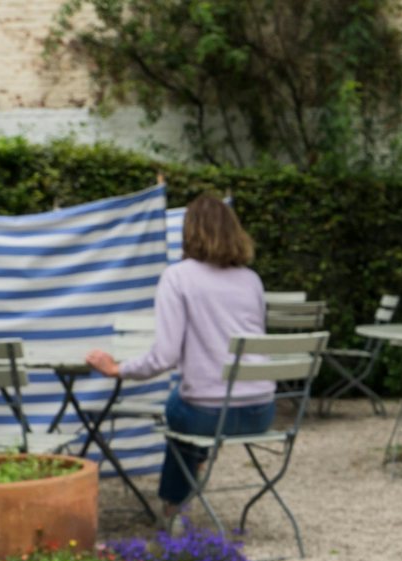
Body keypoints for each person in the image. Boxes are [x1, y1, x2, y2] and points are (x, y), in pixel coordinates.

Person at [85, 194, 271, 526]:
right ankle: (195, 469)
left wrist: (117, 369)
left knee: (178, 407)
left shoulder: (179, 277)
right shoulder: (251, 279)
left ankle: (173, 506)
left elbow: (164, 357)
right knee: (190, 401)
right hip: (261, 411)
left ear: (190, 231)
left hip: (208, 415)